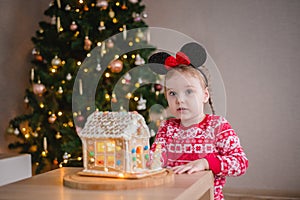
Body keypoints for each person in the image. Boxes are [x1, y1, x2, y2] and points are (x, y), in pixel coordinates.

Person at [148, 42, 248, 200]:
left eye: (189, 91)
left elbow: (240, 163)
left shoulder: (218, 126)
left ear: (205, 95)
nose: (180, 100)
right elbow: (155, 160)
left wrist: (206, 163)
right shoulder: (167, 127)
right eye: (173, 93)